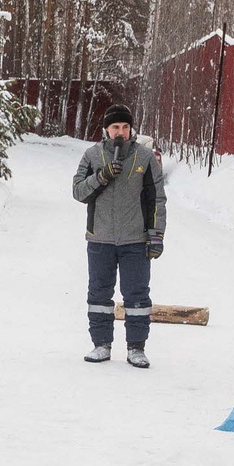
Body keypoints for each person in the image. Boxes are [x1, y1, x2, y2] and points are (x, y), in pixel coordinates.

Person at [72, 105, 165, 367]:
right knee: (99, 294)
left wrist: (156, 234)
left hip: (134, 239)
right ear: (106, 130)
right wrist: (101, 177)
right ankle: (101, 344)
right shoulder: (92, 155)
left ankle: (136, 347)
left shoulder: (145, 157)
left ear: (131, 129)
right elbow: (78, 192)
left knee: (137, 295)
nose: (121, 132)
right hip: (100, 238)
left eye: (125, 127)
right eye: (116, 127)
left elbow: (156, 198)